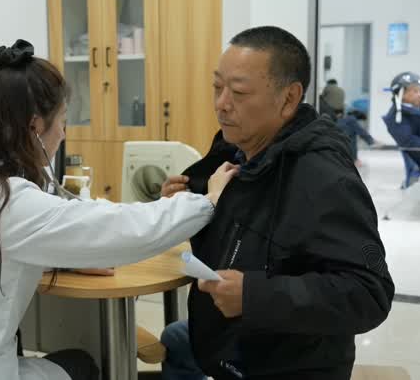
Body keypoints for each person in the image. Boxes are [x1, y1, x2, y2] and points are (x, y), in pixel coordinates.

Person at [0, 39, 237, 380]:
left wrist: (62, 257)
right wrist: (205, 201)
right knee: (82, 364)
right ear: (34, 127)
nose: (63, 133)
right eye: (62, 121)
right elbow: (121, 230)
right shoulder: (8, 201)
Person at [159, 26, 394, 380]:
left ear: (288, 99)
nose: (222, 103)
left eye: (238, 92)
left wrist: (253, 296)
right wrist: (191, 203)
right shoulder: (237, 149)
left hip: (290, 363)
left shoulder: (323, 176)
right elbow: (240, 234)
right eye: (217, 87)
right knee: (176, 339)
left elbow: (369, 293)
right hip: (235, 341)